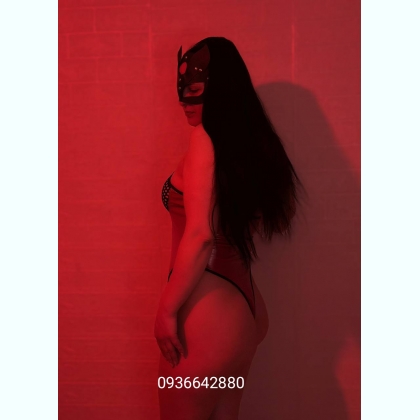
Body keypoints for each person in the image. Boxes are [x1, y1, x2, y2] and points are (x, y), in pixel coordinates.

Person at [155, 37, 304, 420]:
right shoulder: (249, 144)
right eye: (182, 92)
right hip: (243, 315)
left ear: (220, 89)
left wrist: (166, 311)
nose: (184, 102)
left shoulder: (205, 140)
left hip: (206, 316)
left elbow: (201, 234)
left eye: (194, 92)